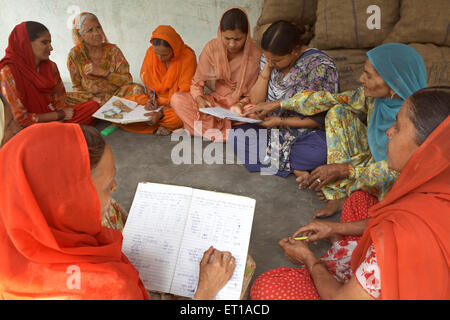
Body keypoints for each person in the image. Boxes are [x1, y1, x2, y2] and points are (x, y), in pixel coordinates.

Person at [250, 86, 450, 300]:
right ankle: (343, 245)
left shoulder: (403, 234)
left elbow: (341, 298)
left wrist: (309, 259)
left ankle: (340, 257)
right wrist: (333, 228)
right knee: (360, 199)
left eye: (399, 127)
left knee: (267, 288)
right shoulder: (432, 185)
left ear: (428, 149)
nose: (389, 132)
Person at [0, 122, 237, 300]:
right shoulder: (109, 287)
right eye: (107, 185)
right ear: (65, 204)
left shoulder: (12, 210)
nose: (115, 187)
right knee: (236, 270)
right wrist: (204, 292)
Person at [245, 43, 427, 218]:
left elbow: (396, 171)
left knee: (389, 196)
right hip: (372, 158)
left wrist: (344, 170)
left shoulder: (416, 119)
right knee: (337, 111)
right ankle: (341, 192)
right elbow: (331, 100)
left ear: (394, 83)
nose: (361, 79)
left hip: (395, 173)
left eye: (368, 75)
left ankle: (349, 188)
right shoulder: (375, 98)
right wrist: (281, 103)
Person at [229, 20, 339, 177]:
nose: (271, 63)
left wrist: (281, 121)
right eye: (267, 58)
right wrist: (267, 68)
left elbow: (321, 119)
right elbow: (257, 100)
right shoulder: (269, 59)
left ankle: (280, 162)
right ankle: (293, 167)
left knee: (321, 152)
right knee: (237, 136)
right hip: (273, 130)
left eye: (277, 60)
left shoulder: (320, 68)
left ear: (294, 51)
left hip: (307, 133)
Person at [170, 7, 261, 142]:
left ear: (247, 35)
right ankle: (226, 134)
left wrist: (240, 104)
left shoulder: (255, 54)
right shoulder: (212, 48)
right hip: (215, 102)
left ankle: (199, 130)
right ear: (220, 33)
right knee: (177, 100)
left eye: (238, 39)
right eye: (227, 38)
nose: (232, 44)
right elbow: (196, 84)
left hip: (240, 106)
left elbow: (254, 94)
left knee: (257, 114)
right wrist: (200, 99)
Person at [0, 22, 100, 128]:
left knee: (92, 107)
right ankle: (62, 132)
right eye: (44, 43)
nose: (51, 48)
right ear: (26, 43)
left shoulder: (51, 67)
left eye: (50, 42)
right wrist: (58, 115)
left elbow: (60, 99)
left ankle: (60, 132)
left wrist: (61, 116)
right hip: (29, 127)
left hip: (55, 118)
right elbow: (19, 118)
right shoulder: (8, 72)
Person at [116, 25, 197, 136]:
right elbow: (149, 82)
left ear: (174, 49)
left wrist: (161, 113)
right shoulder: (151, 53)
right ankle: (160, 125)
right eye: (157, 53)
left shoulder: (187, 57)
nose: (159, 58)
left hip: (177, 105)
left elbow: (185, 95)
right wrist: (151, 98)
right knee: (120, 106)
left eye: (164, 54)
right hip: (157, 101)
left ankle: (158, 124)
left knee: (178, 118)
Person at [67, 12, 144, 106]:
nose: (97, 33)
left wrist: (104, 73)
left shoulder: (113, 51)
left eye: (98, 27)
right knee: (65, 97)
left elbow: (127, 80)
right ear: (81, 36)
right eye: (90, 30)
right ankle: (105, 108)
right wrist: (95, 100)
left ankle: (108, 109)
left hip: (116, 96)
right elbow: (77, 87)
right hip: (91, 100)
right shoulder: (75, 55)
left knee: (137, 89)